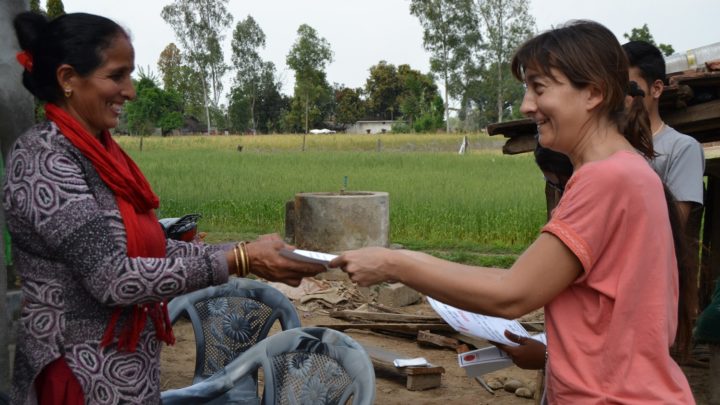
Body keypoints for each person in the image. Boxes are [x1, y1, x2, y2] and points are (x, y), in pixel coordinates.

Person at [330, 20, 696, 403]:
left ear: (594, 93)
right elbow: (564, 297)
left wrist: (395, 263)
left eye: (539, 88)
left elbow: (512, 294)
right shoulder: (626, 171)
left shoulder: (606, 179)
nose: (526, 105)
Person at [8, 11, 324, 405]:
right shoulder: (45, 160)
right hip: (78, 373)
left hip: (124, 369)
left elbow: (150, 245)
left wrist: (242, 252)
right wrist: (239, 260)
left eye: (130, 74)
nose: (131, 90)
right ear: (68, 79)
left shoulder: (100, 154)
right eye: (116, 75)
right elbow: (112, 277)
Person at [622, 40, 705, 226]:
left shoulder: (682, 148)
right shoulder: (607, 141)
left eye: (627, 88)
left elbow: (672, 228)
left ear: (656, 88)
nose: (619, 97)